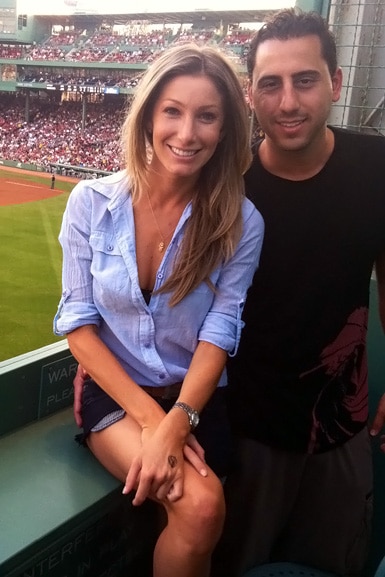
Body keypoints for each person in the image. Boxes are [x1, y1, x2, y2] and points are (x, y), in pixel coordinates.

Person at [53, 43, 264, 577]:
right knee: (199, 505)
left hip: (195, 401)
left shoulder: (241, 222)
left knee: (207, 511)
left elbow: (221, 330)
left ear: (225, 129)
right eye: (172, 110)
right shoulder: (89, 203)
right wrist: (158, 425)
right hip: (119, 399)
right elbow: (77, 327)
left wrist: (181, 419)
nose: (187, 134)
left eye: (207, 116)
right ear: (148, 115)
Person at [213, 8, 385, 577]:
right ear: (251, 95)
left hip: (341, 434)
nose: (287, 102)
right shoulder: (225, 185)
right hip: (244, 435)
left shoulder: (376, 167)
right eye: (271, 84)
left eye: (304, 80)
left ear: (334, 83)